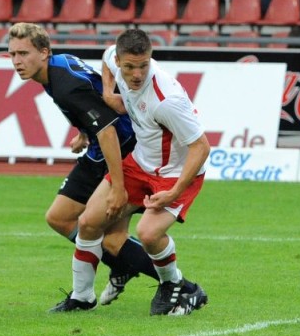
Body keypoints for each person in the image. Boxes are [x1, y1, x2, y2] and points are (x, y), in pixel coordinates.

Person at [50, 28, 210, 315]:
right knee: (88, 222)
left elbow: (201, 147)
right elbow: (106, 55)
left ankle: (177, 284)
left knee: (147, 233)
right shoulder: (115, 58)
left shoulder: (167, 99)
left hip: (175, 172)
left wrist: (174, 191)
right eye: (129, 67)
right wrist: (108, 94)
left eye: (144, 65)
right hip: (139, 162)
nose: (137, 74)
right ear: (121, 61)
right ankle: (83, 297)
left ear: (151, 59)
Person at [7, 23, 159, 308]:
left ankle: (176, 283)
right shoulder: (59, 65)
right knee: (60, 218)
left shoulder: (64, 84)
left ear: (43, 52)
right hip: (99, 147)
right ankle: (118, 269)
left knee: (112, 239)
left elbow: (108, 129)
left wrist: (118, 187)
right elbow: (92, 93)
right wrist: (82, 130)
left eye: (23, 53)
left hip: (120, 148)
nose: (17, 61)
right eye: (12, 54)